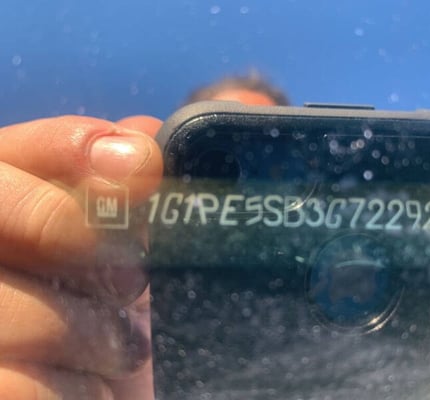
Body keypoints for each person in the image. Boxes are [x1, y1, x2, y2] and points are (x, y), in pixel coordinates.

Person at [0, 74, 287, 399]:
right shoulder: (125, 297)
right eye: (219, 165)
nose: (242, 198)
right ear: (173, 172)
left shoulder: (328, 316)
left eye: (272, 166)